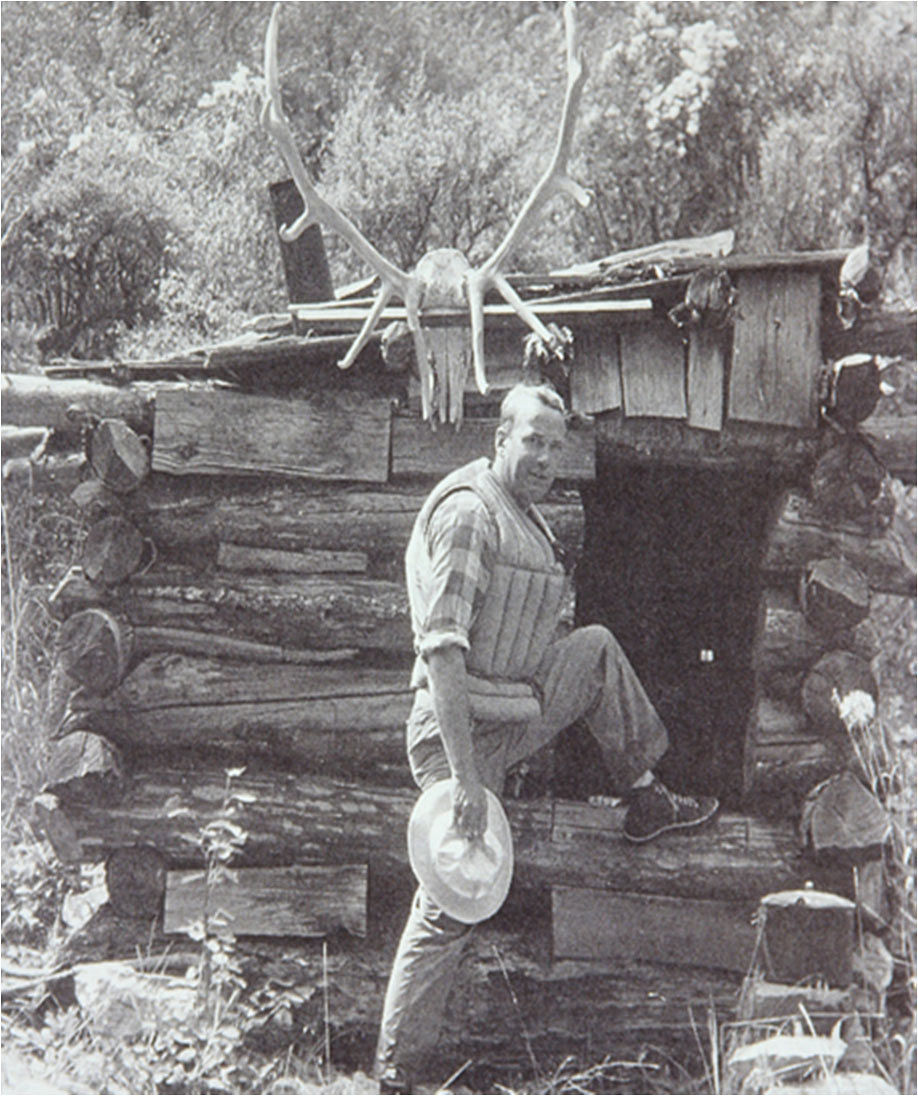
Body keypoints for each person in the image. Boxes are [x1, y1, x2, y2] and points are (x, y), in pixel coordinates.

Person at [375, 383, 718, 1092]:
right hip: (458, 735)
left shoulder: (523, 516)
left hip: (509, 710)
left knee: (592, 648)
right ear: (500, 438)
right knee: (448, 904)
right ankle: (395, 1074)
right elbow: (442, 651)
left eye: (555, 445)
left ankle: (647, 794)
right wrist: (467, 783)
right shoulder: (472, 514)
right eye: (532, 440)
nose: (544, 457)